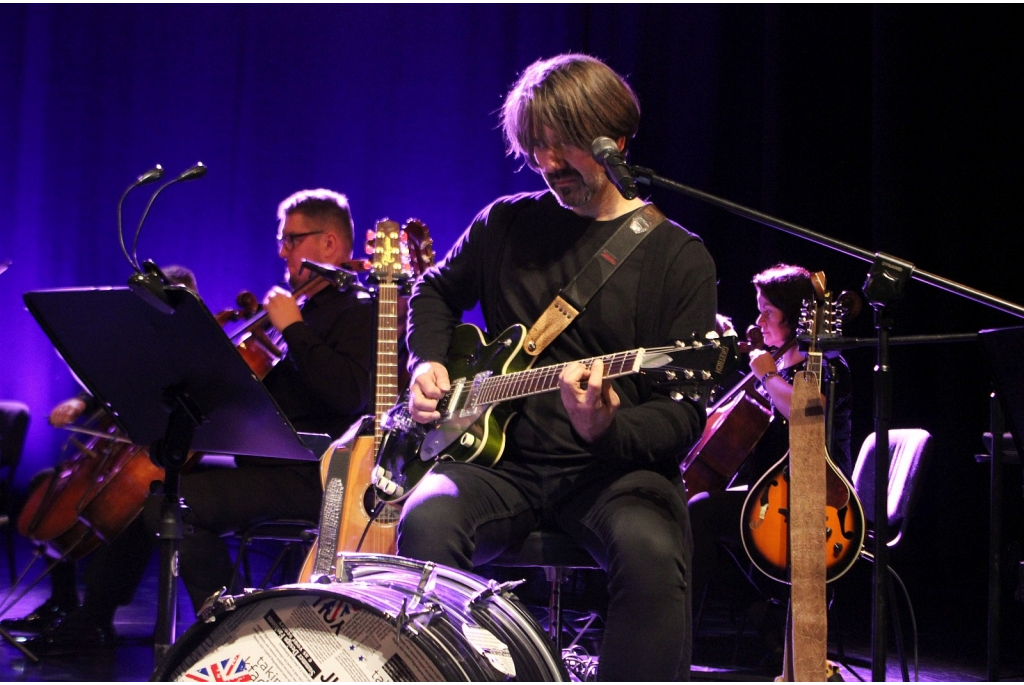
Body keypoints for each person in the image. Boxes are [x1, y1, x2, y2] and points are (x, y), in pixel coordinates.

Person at [397, 54, 717, 681]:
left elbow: (681, 417)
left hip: (614, 475)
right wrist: (427, 360)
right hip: (499, 465)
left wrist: (606, 425)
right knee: (427, 517)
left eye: (563, 144)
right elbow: (434, 290)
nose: (546, 163)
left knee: (653, 551)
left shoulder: (679, 258)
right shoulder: (505, 222)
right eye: (535, 146)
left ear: (615, 140)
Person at [24, 189, 374, 652]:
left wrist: (292, 329)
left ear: (329, 244)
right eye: (282, 240)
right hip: (264, 463)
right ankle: (93, 617)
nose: (282, 250)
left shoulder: (362, 308)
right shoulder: (300, 306)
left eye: (291, 239)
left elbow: (350, 393)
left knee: (178, 503)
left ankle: (234, 636)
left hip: (317, 473)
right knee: (156, 484)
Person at [1, 265, 199, 637]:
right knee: (48, 486)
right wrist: (79, 404)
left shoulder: (201, 352)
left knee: (128, 513)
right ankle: (62, 601)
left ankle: (96, 615)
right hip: (124, 454)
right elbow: (109, 387)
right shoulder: (146, 347)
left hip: (171, 462)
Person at [688, 263, 853, 631]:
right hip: (773, 490)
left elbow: (808, 411)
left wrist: (766, 373)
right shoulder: (778, 361)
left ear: (794, 317)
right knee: (687, 511)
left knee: (698, 514)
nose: (759, 322)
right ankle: (762, 614)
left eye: (768, 313)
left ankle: (751, 613)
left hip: (816, 498)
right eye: (759, 310)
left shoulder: (823, 363)